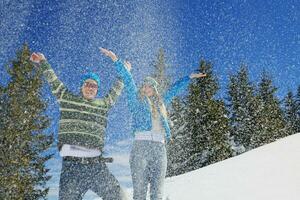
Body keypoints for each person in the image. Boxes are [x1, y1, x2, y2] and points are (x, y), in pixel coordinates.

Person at [101, 48, 206, 200]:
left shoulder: (161, 102)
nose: (146, 88)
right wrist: (116, 60)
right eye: (144, 86)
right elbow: (129, 82)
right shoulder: (136, 101)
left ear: (155, 89)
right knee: (139, 192)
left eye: (150, 86)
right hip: (140, 148)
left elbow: (174, 89)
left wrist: (189, 77)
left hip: (159, 148)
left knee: (157, 193)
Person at [30, 52, 128, 200]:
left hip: (97, 167)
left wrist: (124, 70)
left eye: (94, 86)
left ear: (97, 89)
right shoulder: (67, 99)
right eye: (87, 84)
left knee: (120, 196)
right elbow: (54, 81)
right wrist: (43, 61)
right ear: (82, 86)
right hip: (72, 168)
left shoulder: (103, 105)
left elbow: (117, 88)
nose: (90, 88)